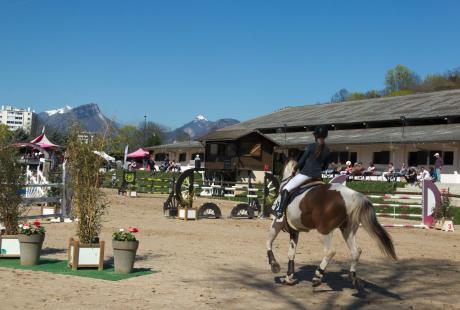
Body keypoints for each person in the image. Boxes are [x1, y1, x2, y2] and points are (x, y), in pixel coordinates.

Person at [274, 125, 330, 218]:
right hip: (318, 177)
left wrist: (295, 169)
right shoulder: (327, 150)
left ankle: (280, 211)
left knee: (286, 189)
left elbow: (301, 161)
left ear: (315, 136)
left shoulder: (310, 147)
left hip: (306, 175)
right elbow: (325, 167)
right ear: (325, 136)